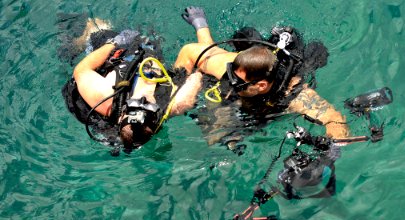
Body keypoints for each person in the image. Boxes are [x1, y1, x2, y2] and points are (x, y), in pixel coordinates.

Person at [174, 7, 349, 152]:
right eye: (231, 74)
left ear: (261, 85)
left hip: (277, 88)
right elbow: (193, 51)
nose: (231, 82)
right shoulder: (229, 66)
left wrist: (331, 151)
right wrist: (178, 85)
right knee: (213, 136)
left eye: (238, 82)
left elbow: (334, 119)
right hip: (254, 69)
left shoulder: (294, 95)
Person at [61, 18, 202, 154]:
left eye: (136, 104)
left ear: (121, 115)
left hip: (118, 51)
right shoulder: (178, 102)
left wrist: (114, 43)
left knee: (96, 25)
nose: (142, 99)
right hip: (148, 51)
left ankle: (74, 44)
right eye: (146, 104)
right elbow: (198, 70)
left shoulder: (106, 100)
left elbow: (81, 70)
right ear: (156, 119)